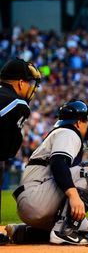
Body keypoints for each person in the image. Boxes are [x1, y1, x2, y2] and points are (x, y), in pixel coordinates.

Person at [5, 100, 88, 245]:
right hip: (36, 197)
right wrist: (74, 196)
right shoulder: (68, 132)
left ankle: (24, 233)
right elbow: (59, 164)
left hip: (37, 199)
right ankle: (63, 232)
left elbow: (72, 172)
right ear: (78, 123)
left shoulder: (63, 133)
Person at [0, 58, 41, 245]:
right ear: (20, 82)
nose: (31, 88)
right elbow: (9, 148)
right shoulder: (18, 104)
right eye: (29, 83)